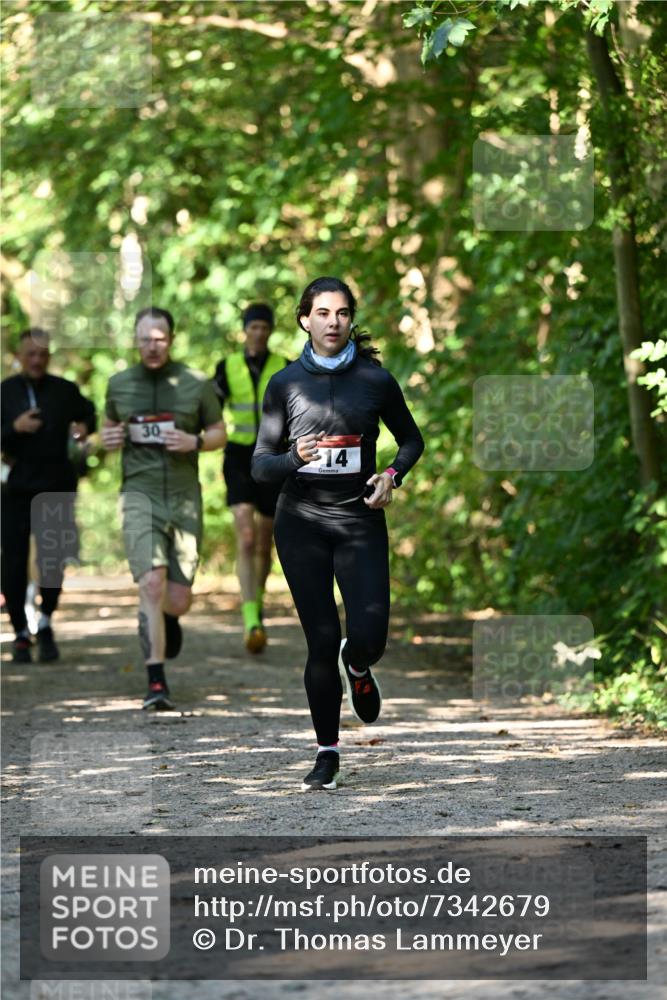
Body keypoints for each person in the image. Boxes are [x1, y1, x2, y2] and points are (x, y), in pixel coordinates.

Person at [252, 277, 424, 790]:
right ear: (305, 320)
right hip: (301, 523)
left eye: (342, 313)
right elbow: (261, 466)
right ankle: (327, 753)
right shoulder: (284, 384)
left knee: (368, 638)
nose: (333, 321)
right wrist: (293, 457)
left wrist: (391, 476)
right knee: (321, 640)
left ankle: (359, 664)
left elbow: (411, 441)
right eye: (323, 313)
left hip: (359, 520)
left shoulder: (375, 381)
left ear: (351, 319)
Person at [101, 307, 226, 710]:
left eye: (159, 339)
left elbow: (219, 432)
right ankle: (156, 681)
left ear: (171, 339)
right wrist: (108, 438)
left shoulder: (196, 383)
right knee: (151, 583)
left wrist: (195, 442)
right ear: (135, 341)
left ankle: (169, 618)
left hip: (185, 495)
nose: (152, 347)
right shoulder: (119, 384)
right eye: (145, 339)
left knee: (179, 598)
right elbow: (107, 430)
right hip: (139, 494)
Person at [1, 328, 96, 663]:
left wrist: (84, 427)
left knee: (52, 559)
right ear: (19, 356)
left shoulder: (64, 390)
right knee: (13, 561)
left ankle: (45, 622)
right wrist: (13, 428)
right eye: (30, 354)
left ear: (49, 356)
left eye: (42, 354)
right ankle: (20, 632)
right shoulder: (5, 392)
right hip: (15, 489)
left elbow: (89, 413)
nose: (37, 360)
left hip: (57, 484)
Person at [214, 304, 287, 653]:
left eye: (264, 327)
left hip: (273, 457)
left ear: (270, 331)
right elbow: (209, 411)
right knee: (245, 535)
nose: (258, 332)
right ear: (244, 330)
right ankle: (250, 620)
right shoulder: (226, 366)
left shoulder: (285, 366)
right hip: (239, 456)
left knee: (263, 540)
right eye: (253, 326)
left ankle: (256, 604)